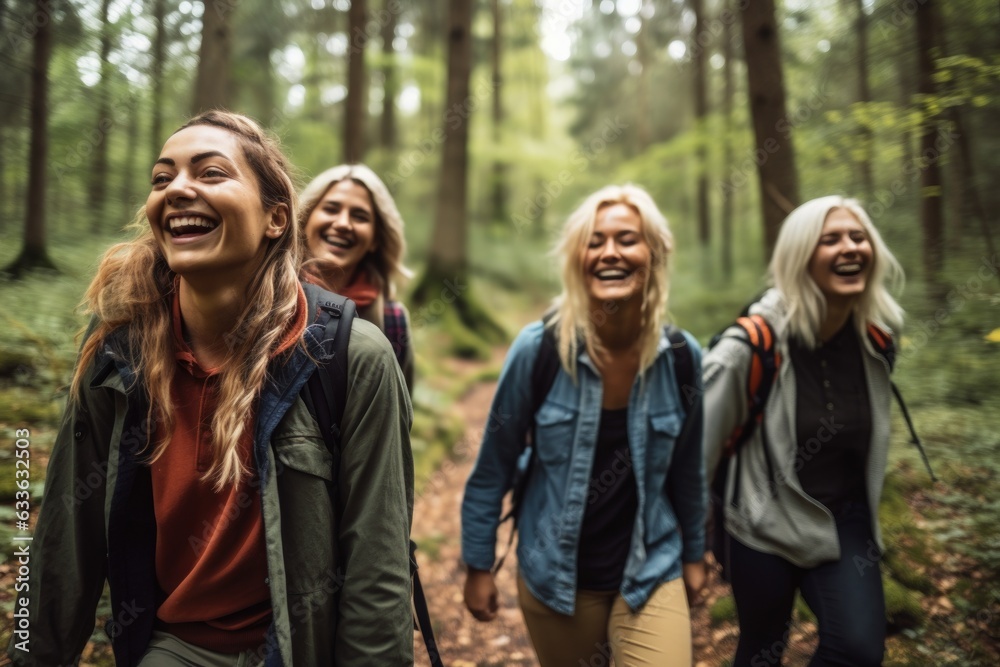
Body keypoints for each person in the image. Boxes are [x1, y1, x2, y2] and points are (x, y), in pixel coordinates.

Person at [5, 111, 414, 666]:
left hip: (301, 648)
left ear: (276, 218)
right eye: (161, 178)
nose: (177, 189)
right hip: (175, 648)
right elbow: (60, 543)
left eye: (212, 172)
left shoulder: (352, 357)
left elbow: (377, 561)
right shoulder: (117, 359)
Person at [461, 185, 707, 666]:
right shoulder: (539, 351)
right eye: (595, 241)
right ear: (577, 258)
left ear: (654, 254)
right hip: (556, 580)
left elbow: (688, 469)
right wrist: (478, 565)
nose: (610, 252)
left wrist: (695, 554)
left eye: (627, 239)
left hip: (650, 569)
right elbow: (494, 465)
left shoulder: (681, 357)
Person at [703, 195, 906, 666]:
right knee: (762, 647)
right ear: (799, 256)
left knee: (857, 650)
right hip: (761, 523)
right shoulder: (751, 346)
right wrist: (691, 548)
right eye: (829, 239)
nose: (850, 248)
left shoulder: (875, 341)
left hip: (842, 522)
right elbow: (695, 452)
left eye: (858, 237)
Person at [299, 164, 415, 393]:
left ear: (375, 240)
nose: (343, 224)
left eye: (360, 216)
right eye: (331, 209)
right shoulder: (269, 297)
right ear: (305, 220)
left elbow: (398, 414)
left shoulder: (391, 321)